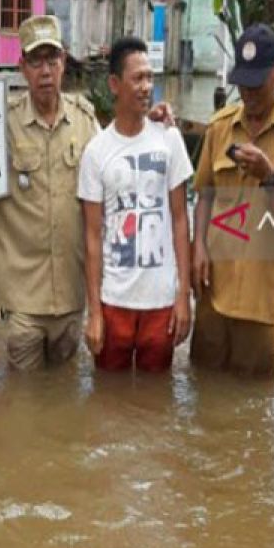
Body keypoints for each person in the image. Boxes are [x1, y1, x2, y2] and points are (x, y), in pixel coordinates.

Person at [0, 16, 173, 370]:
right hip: (23, 300)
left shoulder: (85, 119)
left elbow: (119, 155)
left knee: (64, 399)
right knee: (26, 405)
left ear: (64, 63)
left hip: (72, 299)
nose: (46, 71)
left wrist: (147, 119)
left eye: (53, 60)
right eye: (36, 61)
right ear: (22, 68)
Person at [189, 23, 274, 378]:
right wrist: (197, 246)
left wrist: (270, 179)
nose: (247, 94)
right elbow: (204, 193)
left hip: (260, 307)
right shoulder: (219, 128)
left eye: (256, 84)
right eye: (242, 84)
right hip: (212, 296)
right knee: (202, 394)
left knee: (254, 412)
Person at [78, 37, 192, 372]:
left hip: (161, 301)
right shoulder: (96, 152)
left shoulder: (168, 139)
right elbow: (93, 237)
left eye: (150, 77)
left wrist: (183, 296)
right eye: (137, 78)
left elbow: (180, 219)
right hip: (114, 300)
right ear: (114, 84)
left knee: (155, 400)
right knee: (107, 400)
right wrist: (95, 312)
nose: (146, 87)